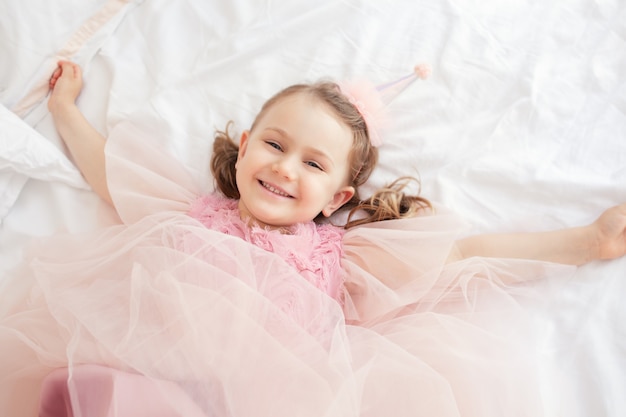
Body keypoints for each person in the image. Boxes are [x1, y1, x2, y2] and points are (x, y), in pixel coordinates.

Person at [1, 60, 625, 417]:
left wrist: (586, 241)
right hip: (159, 383)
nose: (285, 168)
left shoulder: (343, 258)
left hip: (266, 402)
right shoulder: (189, 210)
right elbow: (110, 171)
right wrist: (64, 110)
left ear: (338, 200)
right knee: (83, 395)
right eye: (274, 144)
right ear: (245, 148)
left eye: (314, 164)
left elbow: (462, 256)